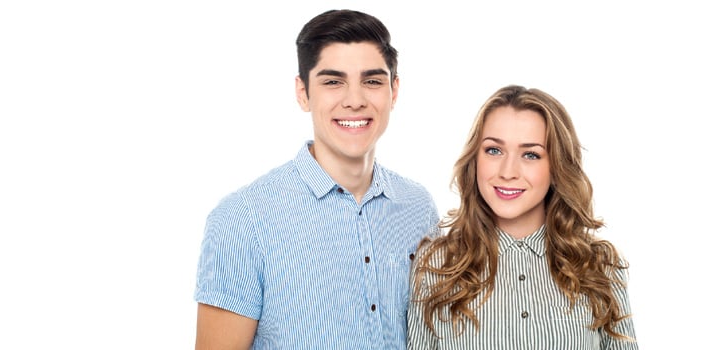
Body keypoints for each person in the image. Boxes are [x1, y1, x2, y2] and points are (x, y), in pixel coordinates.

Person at [194, 9, 440, 349]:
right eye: (333, 82)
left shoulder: (418, 207)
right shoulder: (243, 218)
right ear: (303, 93)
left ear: (394, 91)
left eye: (372, 81)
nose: (355, 101)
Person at [407, 85, 638, 349]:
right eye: (494, 150)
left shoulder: (600, 265)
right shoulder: (437, 266)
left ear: (557, 166)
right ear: (475, 158)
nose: (508, 172)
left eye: (530, 154)